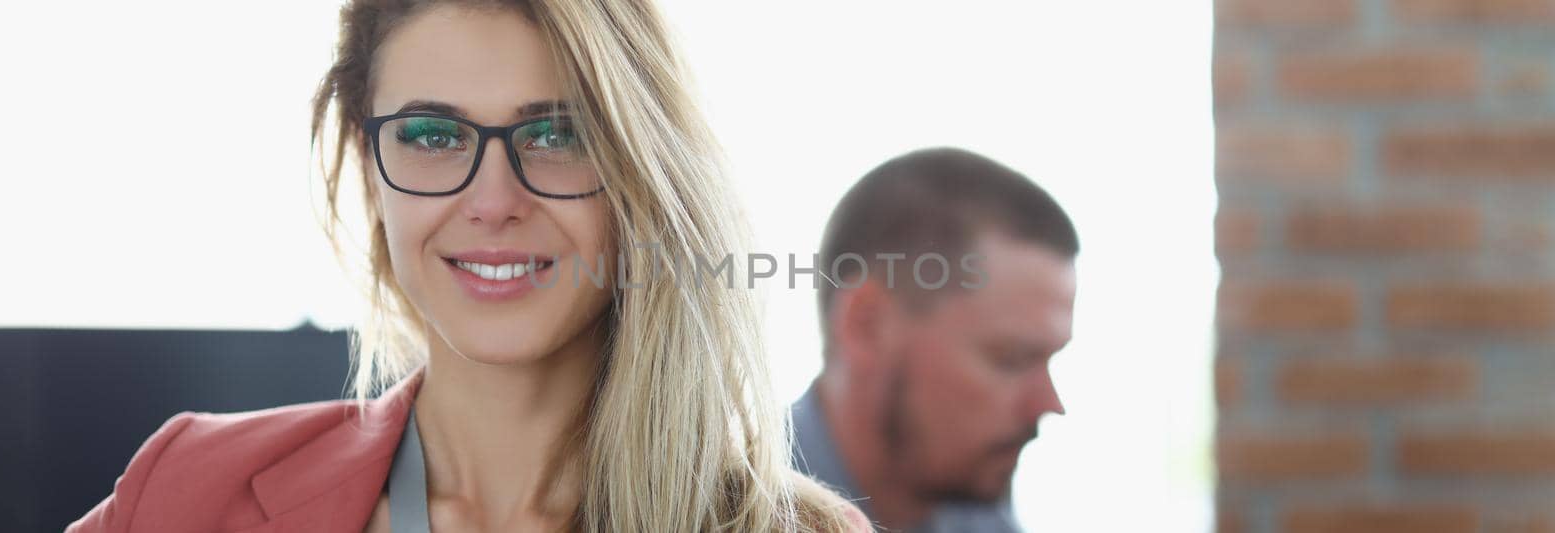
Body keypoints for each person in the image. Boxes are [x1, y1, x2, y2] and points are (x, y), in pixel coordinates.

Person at [67, 1, 868, 531]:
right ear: (365, 160)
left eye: (558, 135)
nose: (493, 200)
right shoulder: (191, 491)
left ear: (641, 172)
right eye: (431, 134)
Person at [792, 147, 1079, 533]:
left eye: (1049, 360)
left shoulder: (983, 520)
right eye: (1011, 359)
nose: (1049, 403)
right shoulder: (716, 513)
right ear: (867, 325)